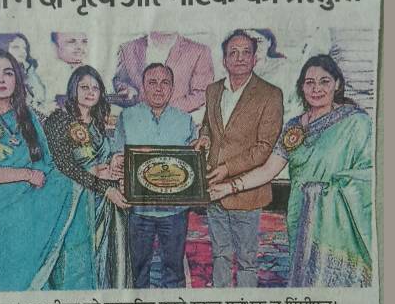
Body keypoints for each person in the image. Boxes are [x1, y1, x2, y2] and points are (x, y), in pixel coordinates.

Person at [208, 54, 373, 287]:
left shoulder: (356, 123)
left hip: (339, 222)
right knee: (305, 279)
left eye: (324, 81)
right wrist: (230, 187)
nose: (316, 89)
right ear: (302, 87)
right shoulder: (294, 127)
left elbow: (369, 176)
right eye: (309, 82)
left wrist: (324, 192)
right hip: (300, 214)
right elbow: (269, 169)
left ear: (337, 84)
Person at [0, 49, 95, 292]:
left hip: (29, 205)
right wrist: (25, 174)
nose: (1, 79)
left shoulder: (25, 114)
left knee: (74, 185)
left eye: (8, 73)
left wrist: (89, 172)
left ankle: (70, 288)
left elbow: (47, 162)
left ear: (17, 80)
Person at [193, 29, 283, 287]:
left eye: (246, 52)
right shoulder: (213, 90)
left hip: (248, 191)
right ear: (224, 60)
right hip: (213, 186)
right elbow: (208, 126)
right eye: (233, 52)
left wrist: (227, 168)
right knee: (219, 254)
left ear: (255, 58)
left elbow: (264, 148)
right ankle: (221, 299)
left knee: (246, 260)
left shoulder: (270, 94)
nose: (240, 57)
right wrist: (204, 138)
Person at [44, 65, 132, 289]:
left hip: (104, 203)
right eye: (84, 87)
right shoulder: (59, 120)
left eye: (95, 88)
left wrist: (114, 160)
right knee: (74, 260)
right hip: (74, 204)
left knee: (104, 258)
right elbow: (63, 166)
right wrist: (103, 186)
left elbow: (101, 157)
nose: (90, 92)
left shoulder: (97, 122)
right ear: (73, 89)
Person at [113, 63, 197, 288]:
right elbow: (117, 155)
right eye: (152, 82)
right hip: (138, 210)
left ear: (172, 88)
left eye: (165, 83)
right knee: (137, 270)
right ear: (143, 86)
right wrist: (119, 171)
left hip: (175, 211)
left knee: (174, 269)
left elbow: (194, 165)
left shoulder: (186, 120)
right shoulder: (126, 117)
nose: (159, 88)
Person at [112, 31, 214, 113]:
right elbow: (120, 81)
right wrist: (127, 90)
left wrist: (165, 111)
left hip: (178, 125)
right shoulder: (127, 49)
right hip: (137, 123)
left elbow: (202, 93)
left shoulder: (199, 51)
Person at [0, 33, 47, 114]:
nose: (23, 52)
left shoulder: (28, 71)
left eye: (24, 48)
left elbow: (39, 98)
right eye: (16, 47)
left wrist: (29, 72)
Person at [48, 32, 89, 108]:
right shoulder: (49, 76)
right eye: (71, 42)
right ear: (55, 46)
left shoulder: (91, 73)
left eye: (84, 41)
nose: (80, 47)